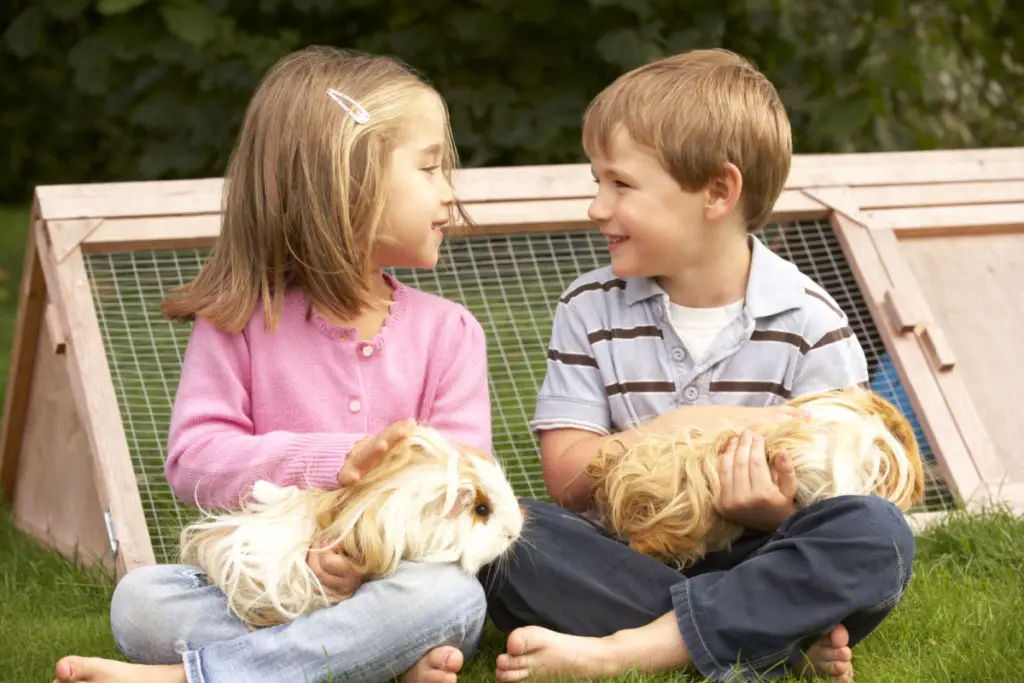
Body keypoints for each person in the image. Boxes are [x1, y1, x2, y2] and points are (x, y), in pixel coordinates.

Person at [54, 46, 492, 683]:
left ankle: (203, 675)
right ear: (348, 180)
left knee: (450, 598)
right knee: (142, 601)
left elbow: (465, 494)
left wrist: (364, 558)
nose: (451, 195)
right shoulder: (240, 324)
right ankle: (367, 660)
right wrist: (329, 463)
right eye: (430, 169)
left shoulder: (449, 331)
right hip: (268, 581)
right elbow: (194, 461)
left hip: (392, 582)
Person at [479, 48, 914, 683]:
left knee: (876, 533)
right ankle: (767, 643)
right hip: (625, 559)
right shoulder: (588, 308)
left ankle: (624, 652)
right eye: (595, 181)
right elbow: (567, 480)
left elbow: (844, 495)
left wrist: (774, 514)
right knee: (509, 531)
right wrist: (684, 424)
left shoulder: (812, 320)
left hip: (761, 558)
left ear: (717, 191)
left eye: (620, 184)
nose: (597, 206)